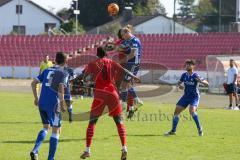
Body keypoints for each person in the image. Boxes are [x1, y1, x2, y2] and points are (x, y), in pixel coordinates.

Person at [80, 47, 140, 160]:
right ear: (106, 54)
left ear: (97, 54)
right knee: (119, 122)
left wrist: (88, 79)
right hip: (113, 94)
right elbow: (124, 71)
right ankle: (124, 148)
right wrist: (134, 76)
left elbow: (85, 78)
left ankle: (87, 150)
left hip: (100, 94)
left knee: (92, 122)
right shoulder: (111, 62)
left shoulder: (92, 63)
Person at [30, 52, 69, 160]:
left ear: (55, 60)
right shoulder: (63, 73)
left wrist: (36, 98)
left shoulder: (46, 70)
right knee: (56, 130)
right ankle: (50, 158)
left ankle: (35, 150)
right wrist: (62, 103)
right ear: (66, 62)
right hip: (53, 104)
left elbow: (33, 83)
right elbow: (61, 88)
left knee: (46, 127)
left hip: (42, 103)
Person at [165, 59, 209, 137]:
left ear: (193, 66)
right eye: (186, 65)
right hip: (186, 96)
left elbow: (207, 84)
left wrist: (201, 81)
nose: (187, 66)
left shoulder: (196, 75)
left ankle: (199, 128)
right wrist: (180, 86)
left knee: (191, 111)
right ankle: (173, 131)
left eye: (189, 64)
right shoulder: (184, 75)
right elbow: (179, 82)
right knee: (176, 113)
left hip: (194, 97)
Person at [119, 27, 143, 118]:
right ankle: (126, 105)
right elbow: (120, 47)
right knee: (124, 85)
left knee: (126, 84)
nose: (122, 37)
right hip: (129, 64)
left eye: (123, 35)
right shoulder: (127, 41)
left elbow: (133, 54)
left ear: (127, 33)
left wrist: (123, 61)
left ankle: (131, 103)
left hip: (133, 64)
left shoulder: (135, 40)